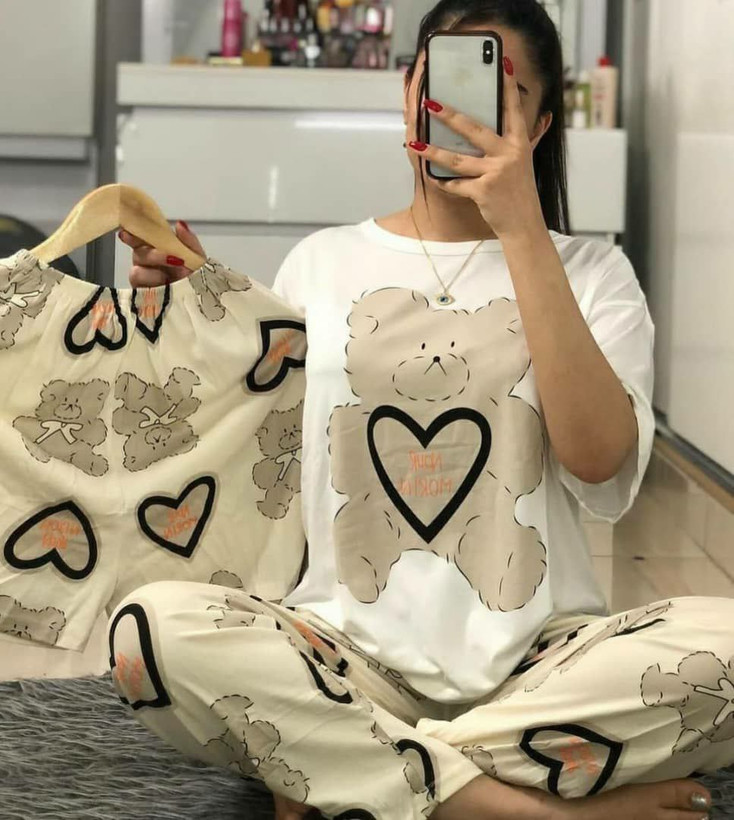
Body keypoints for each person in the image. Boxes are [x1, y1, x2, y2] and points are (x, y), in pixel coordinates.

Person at [114, 1, 731, 818]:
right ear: (407, 92)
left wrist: (522, 231)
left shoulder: (592, 273)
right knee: (150, 627)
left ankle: (341, 765)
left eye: (498, 91)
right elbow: (259, 459)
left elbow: (597, 460)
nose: (458, 107)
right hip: (343, 654)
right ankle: (522, 809)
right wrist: (198, 313)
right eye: (438, 80)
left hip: (539, 665)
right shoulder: (322, 261)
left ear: (541, 125)